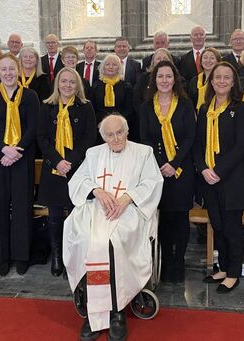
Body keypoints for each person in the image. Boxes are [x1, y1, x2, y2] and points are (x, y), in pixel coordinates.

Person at [63, 114, 163, 341]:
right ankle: (94, 312)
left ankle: (117, 313)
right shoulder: (93, 153)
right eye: (110, 135)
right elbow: (77, 182)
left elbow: (152, 182)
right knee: (86, 239)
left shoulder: (143, 152)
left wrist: (128, 198)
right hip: (96, 210)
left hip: (129, 212)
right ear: (104, 137)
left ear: (127, 132)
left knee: (112, 242)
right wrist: (97, 191)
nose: (116, 138)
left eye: (120, 132)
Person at [193, 61, 244, 293]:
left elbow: (241, 146)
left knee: (232, 227)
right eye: (217, 77)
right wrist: (203, 169)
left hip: (232, 178)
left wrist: (218, 171)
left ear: (233, 81)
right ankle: (223, 267)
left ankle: (234, 273)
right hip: (209, 178)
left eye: (226, 77)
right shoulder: (205, 109)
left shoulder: (241, 108)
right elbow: (198, 144)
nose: (221, 81)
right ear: (211, 80)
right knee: (217, 225)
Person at [0, 53, 40, 276]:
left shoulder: (31, 96)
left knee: (23, 207)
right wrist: (4, 149)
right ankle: (2, 256)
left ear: (18, 70)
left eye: (11, 69)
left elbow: (34, 128)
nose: (7, 73)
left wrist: (16, 151)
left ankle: (21, 255)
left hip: (22, 157)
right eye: (3, 69)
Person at [139, 60, 196, 283]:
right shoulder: (146, 107)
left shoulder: (184, 104)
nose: (164, 80)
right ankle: (164, 261)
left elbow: (191, 137)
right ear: (154, 80)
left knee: (180, 218)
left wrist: (174, 164)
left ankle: (178, 262)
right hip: (156, 171)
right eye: (160, 76)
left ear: (175, 80)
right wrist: (162, 163)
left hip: (181, 171)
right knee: (162, 219)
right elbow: (145, 139)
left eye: (168, 76)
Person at [37, 67, 97, 277]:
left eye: (72, 82)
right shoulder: (47, 106)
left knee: (75, 215)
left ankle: (74, 256)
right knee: (54, 215)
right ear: (58, 83)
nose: (68, 85)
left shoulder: (86, 107)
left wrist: (69, 161)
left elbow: (90, 137)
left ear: (77, 85)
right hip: (53, 169)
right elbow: (42, 137)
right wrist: (57, 161)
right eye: (64, 81)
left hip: (76, 168)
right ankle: (56, 256)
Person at [90, 54, 134, 143]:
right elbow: (92, 109)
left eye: (114, 64)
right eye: (107, 64)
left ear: (119, 68)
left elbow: (129, 109)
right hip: (99, 127)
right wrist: (103, 123)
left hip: (120, 127)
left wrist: (116, 122)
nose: (111, 67)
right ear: (103, 67)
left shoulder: (126, 87)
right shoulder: (95, 86)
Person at [133, 48, 174, 119]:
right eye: (158, 58)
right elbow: (137, 100)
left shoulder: (177, 79)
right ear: (153, 62)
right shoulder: (143, 78)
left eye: (165, 58)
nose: (162, 60)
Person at [187, 48, 221, 112]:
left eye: (212, 58)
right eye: (205, 58)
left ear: (218, 61)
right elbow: (190, 101)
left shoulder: (221, 80)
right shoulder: (194, 80)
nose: (208, 61)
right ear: (201, 61)